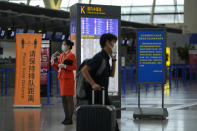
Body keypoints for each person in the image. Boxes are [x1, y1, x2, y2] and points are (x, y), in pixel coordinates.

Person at [81, 33, 119, 131]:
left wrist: (114, 59)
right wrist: (93, 84)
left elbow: (112, 74)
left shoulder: (106, 57)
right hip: (96, 94)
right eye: (114, 43)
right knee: (108, 117)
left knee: (108, 117)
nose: (115, 45)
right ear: (107, 43)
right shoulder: (99, 57)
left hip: (102, 93)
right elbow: (84, 70)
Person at [51, 39, 76, 125]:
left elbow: (74, 67)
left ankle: (70, 118)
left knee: (69, 98)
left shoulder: (71, 55)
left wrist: (65, 66)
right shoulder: (61, 55)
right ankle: (66, 117)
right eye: (62, 44)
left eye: (64, 44)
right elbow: (58, 67)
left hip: (68, 79)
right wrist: (53, 63)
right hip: (61, 79)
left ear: (68, 46)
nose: (63, 46)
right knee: (64, 99)